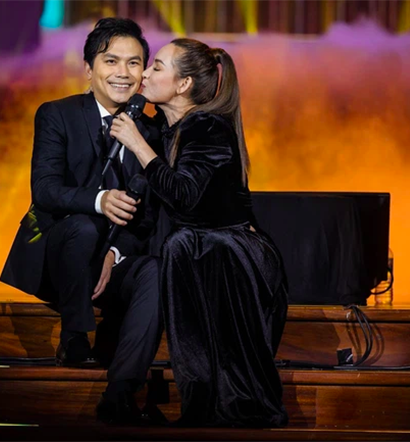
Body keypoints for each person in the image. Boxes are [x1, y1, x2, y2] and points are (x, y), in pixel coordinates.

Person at [110, 38, 289, 427]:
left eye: (157, 67)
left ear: (183, 84)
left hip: (228, 258)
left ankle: (229, 407)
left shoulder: (206, 127)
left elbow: (185, 195)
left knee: (182, 248)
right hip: (198, 252)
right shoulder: (171, 129)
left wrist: (138, 146)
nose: (145, 74)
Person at [0, 18, 164, 424]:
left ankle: (122, 389)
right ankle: (74, 335)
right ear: (89, 69)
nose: (123, 73)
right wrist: (99, 200)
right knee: (83, 227)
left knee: (155, 269)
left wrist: (115, 253)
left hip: (111, 258)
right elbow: (45, 190)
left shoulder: (152, 129)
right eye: (111, 61)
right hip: (63, 253)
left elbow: (149, 214)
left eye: (134, 63)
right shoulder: (57, 114)